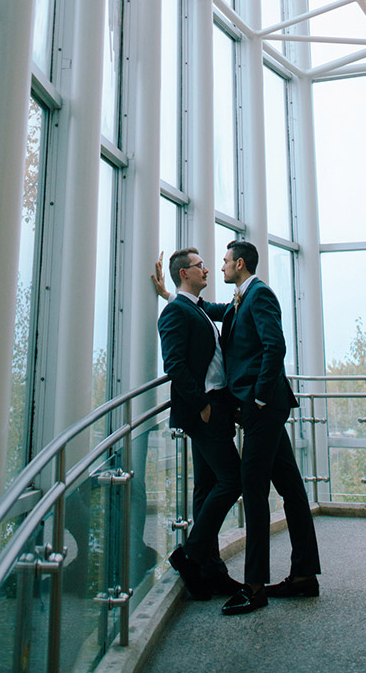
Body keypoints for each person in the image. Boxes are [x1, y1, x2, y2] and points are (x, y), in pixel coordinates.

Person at [218, 239, 320, 614]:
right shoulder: (241, 299)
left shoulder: (260, 295)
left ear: (240, 264)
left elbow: (275, 347)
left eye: (226, 261)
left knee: (254, 490)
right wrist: (172, 295)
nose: (222, 266)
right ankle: (304, 576)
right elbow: (219, 312)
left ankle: (254, 586)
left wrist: (258, 399)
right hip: (269, 407)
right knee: (291, 488)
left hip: (264, 407)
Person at [155, 248, 242, 601]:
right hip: (204, 411)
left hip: (216, 406)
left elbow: (226, 310)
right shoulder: (175, 313)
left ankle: (210, 570)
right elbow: (174, 364)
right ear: (184, 274)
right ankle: (188, 555)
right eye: (200, 266)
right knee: (232, 479)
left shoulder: (195, 307)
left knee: (207, 488)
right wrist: (203, 405)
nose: (207, 269)